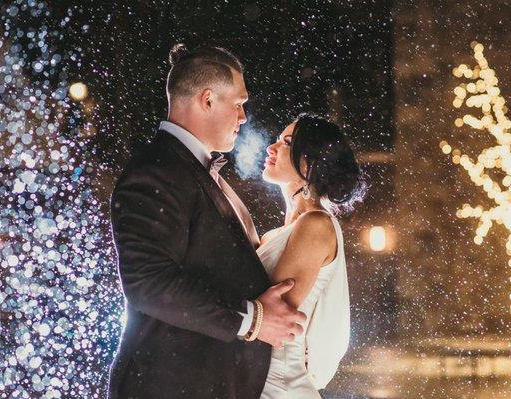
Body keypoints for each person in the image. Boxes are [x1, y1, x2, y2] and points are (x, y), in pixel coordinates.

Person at [108, 44, 306, 399]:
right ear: (208, 100)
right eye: (239, 103)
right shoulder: (156, 172)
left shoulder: (193, 170)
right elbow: (149, 282)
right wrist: (254, 320)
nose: (244, 117)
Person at [259, 114, 365, 398]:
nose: (272, 147)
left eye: (287, 143)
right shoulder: (272, 236)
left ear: (312, 162)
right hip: (254, 377)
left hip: (279, 383)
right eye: (278, 140)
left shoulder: (316, 225)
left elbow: (271, 312)